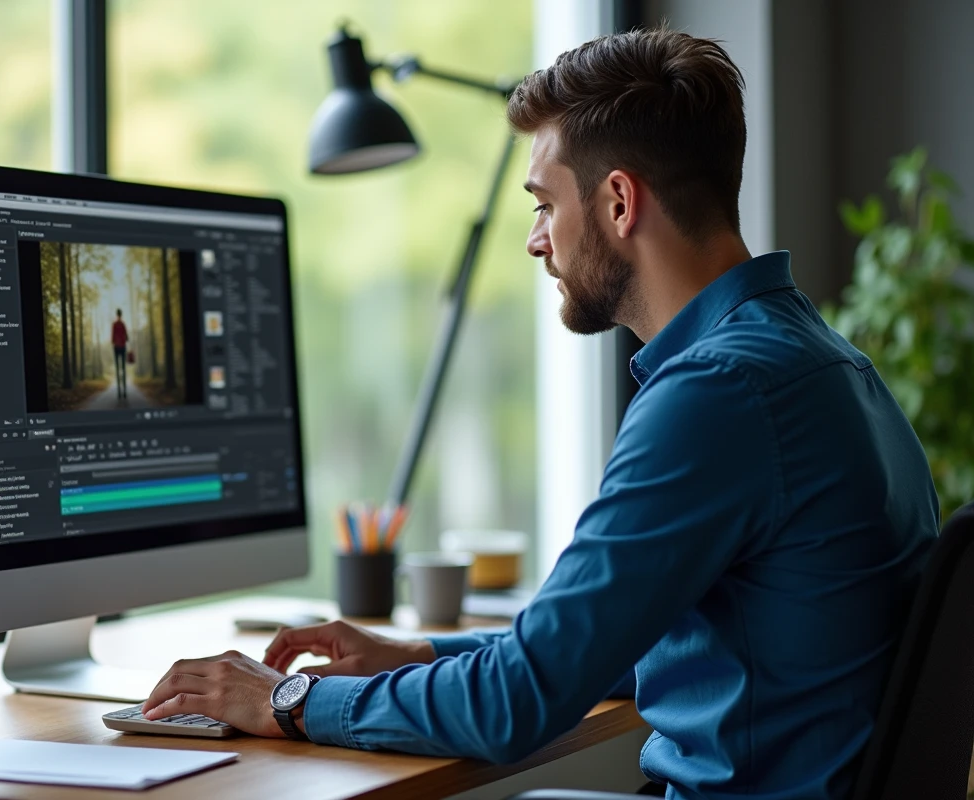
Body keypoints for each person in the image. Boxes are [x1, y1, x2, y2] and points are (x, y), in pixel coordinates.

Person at [140, 28, 940, 800]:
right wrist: (416, 652)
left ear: (619, 201)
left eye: (544, 205)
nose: (534, 240)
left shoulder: (717, 393)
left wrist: (284, 699)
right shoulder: (820, 362)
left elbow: (513, 702)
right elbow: (627, 641)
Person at [111, 309, 129, 398]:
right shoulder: (123, 324)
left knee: (117, 369)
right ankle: (124, 391)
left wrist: (115, 341)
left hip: (116, 348)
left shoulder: (114, 324)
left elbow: (112, 338)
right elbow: (127, 337)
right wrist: (123, 339)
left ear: (116, 314)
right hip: (122, 347)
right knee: (123, 369)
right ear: (121, 315)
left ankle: (119, 392)